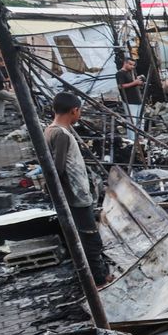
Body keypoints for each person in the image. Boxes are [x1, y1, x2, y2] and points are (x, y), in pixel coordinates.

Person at [44, 92, 110, 284]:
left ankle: (90, 275)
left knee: (83, 237)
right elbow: (58, 168)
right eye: (79, 111)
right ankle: (99, 278)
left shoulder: (49, 130)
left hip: (71, 195)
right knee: (91, 239)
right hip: (76, 196)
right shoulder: (62, 134)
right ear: (74, 111)